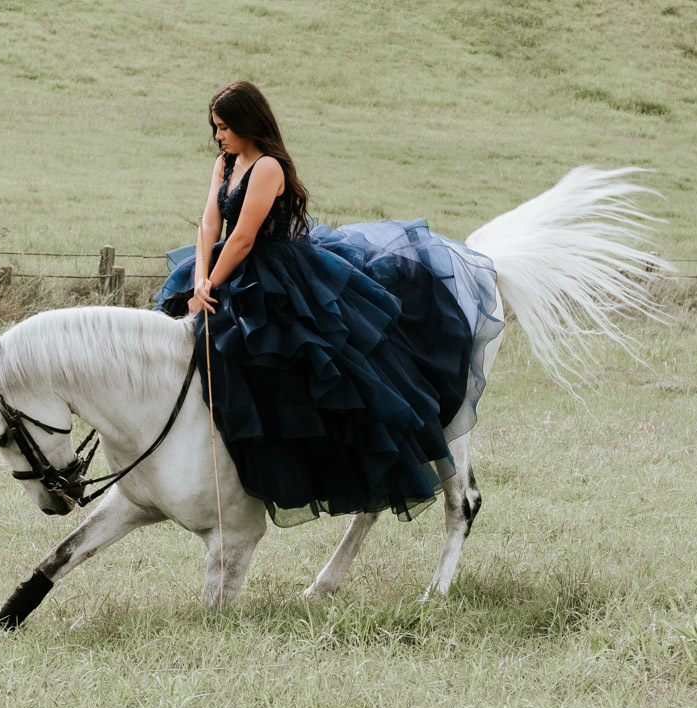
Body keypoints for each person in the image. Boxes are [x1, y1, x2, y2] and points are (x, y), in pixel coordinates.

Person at [156, 81, 502, 527]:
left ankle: (297, 455)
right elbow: (210, 221)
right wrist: (200, 277)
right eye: (215, 128)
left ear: (247, 123)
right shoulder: (225, 162)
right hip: (226, 267)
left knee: (291, 356)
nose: (218, 136)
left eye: (224, 127)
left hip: (277, 272)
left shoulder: (267, 167)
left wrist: (212, 282)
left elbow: (242, 238)